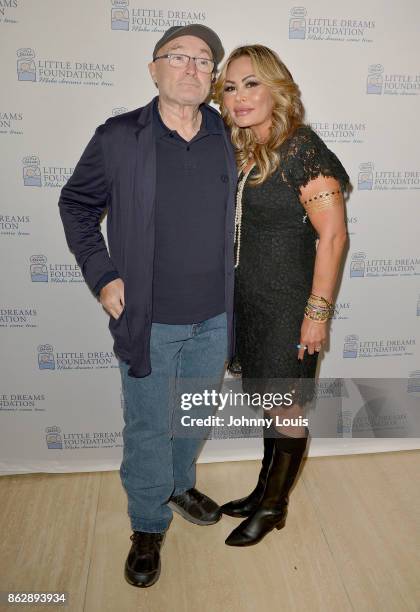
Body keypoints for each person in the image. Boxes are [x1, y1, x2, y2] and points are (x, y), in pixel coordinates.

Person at [58, 25, 237, 587]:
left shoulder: (230, 134)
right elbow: (77, 205)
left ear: (214, 76)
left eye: (204, 60)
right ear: (153, 68)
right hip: (149, 319)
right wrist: (104, 275)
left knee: (194, 415)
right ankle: (147, 523)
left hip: (216, 315)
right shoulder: (118, 137)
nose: (191, 68)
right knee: (147, 426)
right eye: (178, 57)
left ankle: (180, 485)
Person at [214, 45, 349, 547]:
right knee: (271, 402)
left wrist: (317, 316)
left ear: (277, 88)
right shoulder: (244, 148)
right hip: (249, 305)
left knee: (286, 408)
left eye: (251, 83)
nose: (240, 96)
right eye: (230, 87)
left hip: (290, 307)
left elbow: (333, 237)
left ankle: (274, 506)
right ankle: (261, 491)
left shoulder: (300, 147)